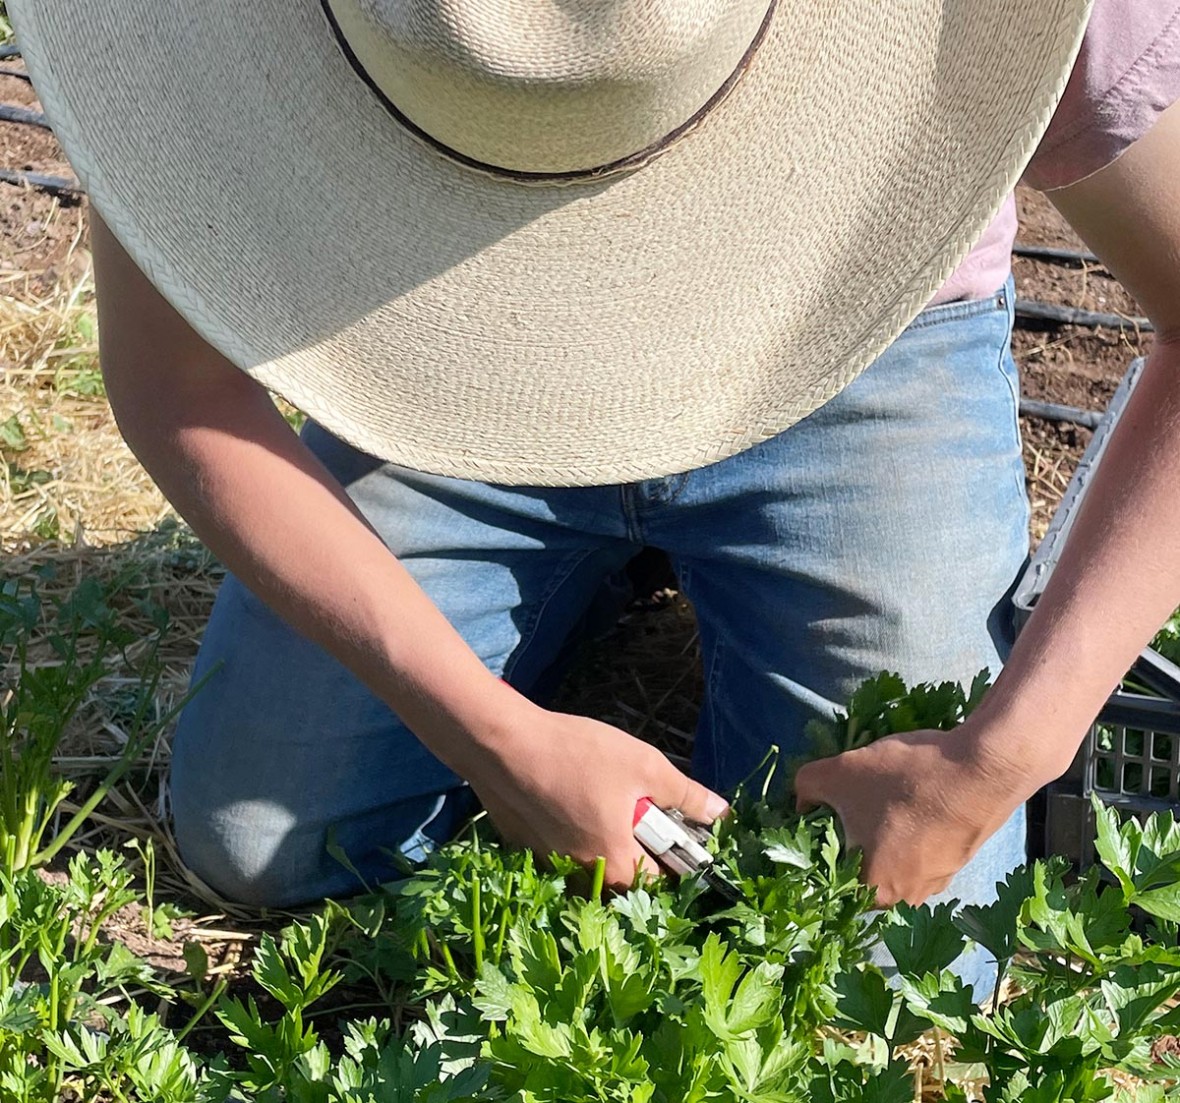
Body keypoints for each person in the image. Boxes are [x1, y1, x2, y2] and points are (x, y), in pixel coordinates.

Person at [11, 0, 1180, 998]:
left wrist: (1004, 751)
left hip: (859, 357)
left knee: (886, 955)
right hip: (451, 354)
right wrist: (495, 736)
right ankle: (584, 590)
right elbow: (178, 387)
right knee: (261, 843)